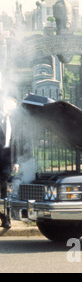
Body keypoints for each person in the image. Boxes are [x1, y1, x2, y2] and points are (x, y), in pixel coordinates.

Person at [0, 92, 19, 229]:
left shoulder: (13, 121)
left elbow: (15, 143)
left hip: (6, 161)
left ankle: (5, 219)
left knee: (4, 190)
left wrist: (16, 161)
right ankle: (4, 218)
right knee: (2, 188)